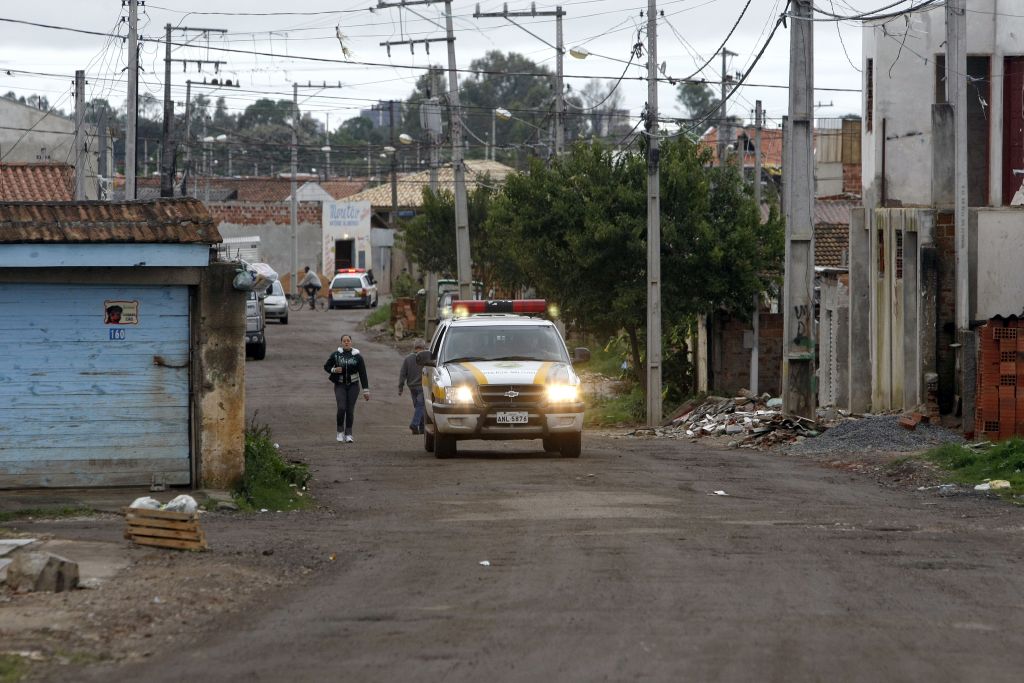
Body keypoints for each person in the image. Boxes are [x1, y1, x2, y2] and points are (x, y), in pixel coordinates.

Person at [324, 334, 370, 442]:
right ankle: (340, 432)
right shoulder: (336, 355)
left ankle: (348, 434)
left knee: (350, 410)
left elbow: (363, 374)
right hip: (340, 385)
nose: (346, 342)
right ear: (341, 343)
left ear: (351, 342)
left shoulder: (357, 357)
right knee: (341, 408)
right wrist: (334, 370)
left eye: (348, 340)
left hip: (353, 386)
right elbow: (326, 366)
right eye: (344, 341)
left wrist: (366, 390)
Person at [398, 340, 426, 435]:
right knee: (420, 406)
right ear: (423, 348)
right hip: (422, 386)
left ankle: (422, 428)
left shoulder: (408, 359)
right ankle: (415, 424)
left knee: (418, 406)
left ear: (414, 347)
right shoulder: (425, 358)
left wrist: (400, 387)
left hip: (412, 387)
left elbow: (403, 373)